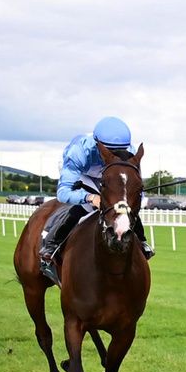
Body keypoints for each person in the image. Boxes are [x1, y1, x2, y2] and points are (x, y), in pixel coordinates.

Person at [39, 116, 153, 285]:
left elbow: (134, 186)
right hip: (84, 172)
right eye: (111, 151)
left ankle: (142, 242)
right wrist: (91, 197)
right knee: (84, 207)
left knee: (124, 209)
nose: (117, 155)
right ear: (98, 144)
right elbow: (63, 193)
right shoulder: (79, 152)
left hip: (110, 173)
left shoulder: (129, 152)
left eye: (120, 151)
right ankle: (52, 245)